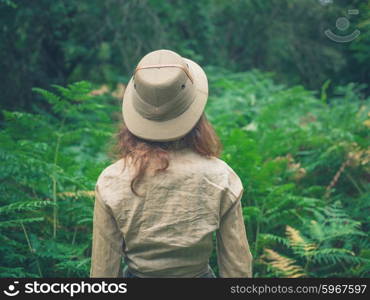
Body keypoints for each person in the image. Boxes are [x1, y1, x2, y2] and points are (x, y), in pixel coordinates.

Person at [90, 49, 253, 278]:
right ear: (196, 115)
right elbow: (237, 267)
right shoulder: (220, 176)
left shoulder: (111, 180)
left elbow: (103, 271)